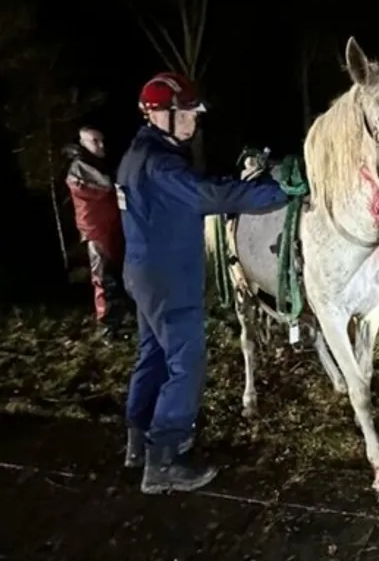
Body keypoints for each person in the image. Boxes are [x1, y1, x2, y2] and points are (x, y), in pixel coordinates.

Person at [116, 71, 289, 495]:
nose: (194, 119)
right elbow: (212, 196)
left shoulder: (137, 155)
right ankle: (164, 460)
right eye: (188, 112)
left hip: (144, 272)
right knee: (186, 362)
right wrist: (278, 191)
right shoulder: (161, 165)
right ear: (162, 114)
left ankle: (139, 443)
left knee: (153, 355)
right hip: (169, 278)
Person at [62, 126, 128, 338]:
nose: (101, 145)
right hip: (96, 230)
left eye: (102, 140)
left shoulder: (95, 164)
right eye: (95, 141)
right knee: (104, 276)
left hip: (109, 227)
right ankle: (108, 325)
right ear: (82, 144)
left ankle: (118, 319)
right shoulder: (80, 168)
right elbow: (104, 188)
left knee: (114, 274)